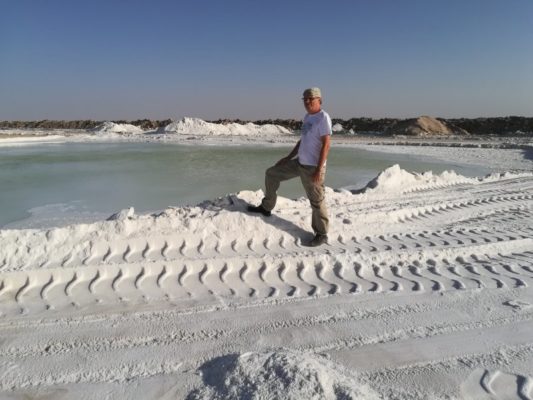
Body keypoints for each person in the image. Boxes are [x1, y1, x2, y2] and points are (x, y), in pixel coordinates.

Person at [248, 87, 332, 247]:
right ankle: (266, 207)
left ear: (319, 100)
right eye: (305, 99)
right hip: (299, 162)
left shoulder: (323, 118)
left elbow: (326, 145)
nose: (307, 102)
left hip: (312, 168)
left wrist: (319, 168)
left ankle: (322, 234)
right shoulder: (308, 117)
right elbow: (303, 141)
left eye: (310, 99)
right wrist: (288, 158)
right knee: (271, 173)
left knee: (316, 201)